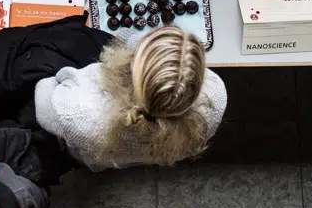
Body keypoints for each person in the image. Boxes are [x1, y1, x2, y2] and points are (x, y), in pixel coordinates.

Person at [33, 26, 226, 171]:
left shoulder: (77, 111)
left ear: (132, 63)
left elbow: (42, 92)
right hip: (140, 154)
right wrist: (133, 39)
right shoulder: (215, 96)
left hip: (93, 154)